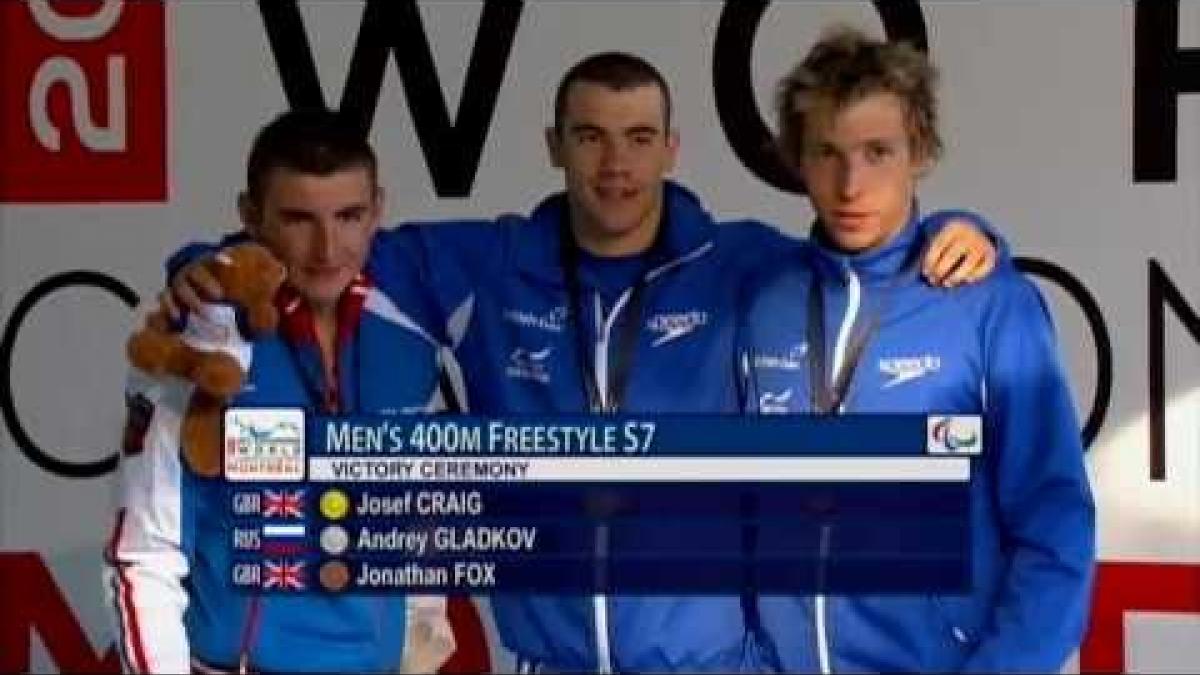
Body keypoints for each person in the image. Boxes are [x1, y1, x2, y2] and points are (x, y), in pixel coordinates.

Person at [162, 54, 1001, 672]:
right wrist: (207, 267)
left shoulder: (736, 263)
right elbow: (319, 245)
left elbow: (860, 260)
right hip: (546, 657)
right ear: (554, 144)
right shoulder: (484, 268)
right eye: (591, 136)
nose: (615, 164)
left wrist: (960, 231)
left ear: (672, 148)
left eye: (638, 138)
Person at [737, 26, 1095, 672]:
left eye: (878, 151)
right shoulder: (765, 302)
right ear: (797, 159)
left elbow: (1056, 532)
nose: (851, 184)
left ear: (920, 151)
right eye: (827, 152)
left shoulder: (988, 304)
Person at [103, 109, 453, 673]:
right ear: (251, 215)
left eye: (349, 216)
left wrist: (420, 636)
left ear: (378, 211)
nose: (326, 247)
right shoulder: (199, 341)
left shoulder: (409, 335)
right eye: (297, 219)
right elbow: (144, 556)